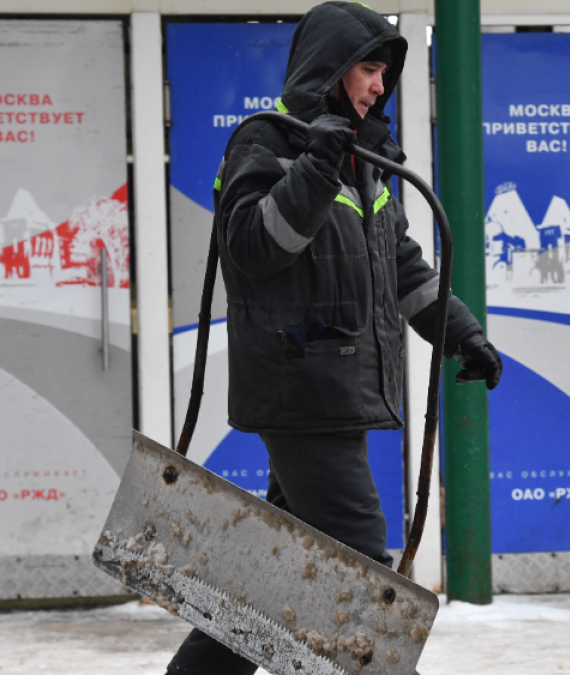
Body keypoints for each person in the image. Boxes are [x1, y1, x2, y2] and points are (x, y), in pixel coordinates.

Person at [165, 3, 502, 674]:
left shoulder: (363, 162)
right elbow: (255, 248)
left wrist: (461, 333)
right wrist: (315, 166)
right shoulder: (266, 144)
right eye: (368, 69)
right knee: (356, 562)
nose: (379, 86)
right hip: (299, 392)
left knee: (269, 577)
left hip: (334, 394)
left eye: (384, 72)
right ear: (330, 70)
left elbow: (403, 265)